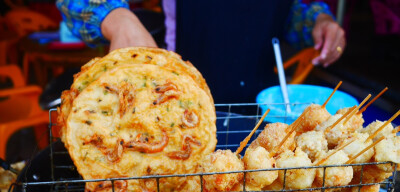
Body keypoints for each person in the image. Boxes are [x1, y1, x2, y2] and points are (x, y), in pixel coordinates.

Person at [56, 0, 346, 104]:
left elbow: (289, 11)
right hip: (176, 103)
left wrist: (319, 21)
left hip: (258, 109)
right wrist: (119, 19)